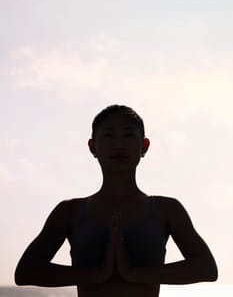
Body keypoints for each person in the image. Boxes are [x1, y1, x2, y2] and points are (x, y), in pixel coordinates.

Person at [15, 104, 218, 297]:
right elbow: (26, 271)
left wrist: (135, 273)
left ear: (144, 146)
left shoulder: (167, 210)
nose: (119, 144)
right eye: (108, 135)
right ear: (93, 147)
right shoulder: (69, 212)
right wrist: (95, 275)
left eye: (129, 135)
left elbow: (206, 268)